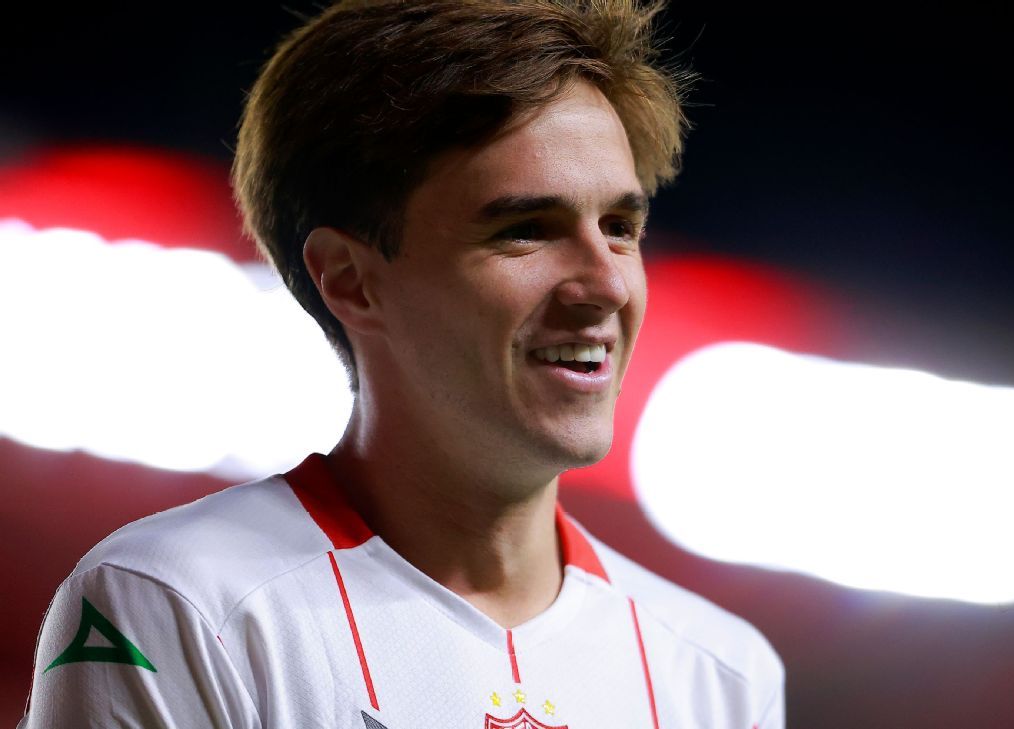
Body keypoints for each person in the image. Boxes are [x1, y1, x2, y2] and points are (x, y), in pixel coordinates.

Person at [20, 1, 785, 727]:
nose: (608, 284)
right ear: (351, 280)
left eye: (620, 226)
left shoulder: (723, 675)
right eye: (526, 228)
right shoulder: (174, 604)